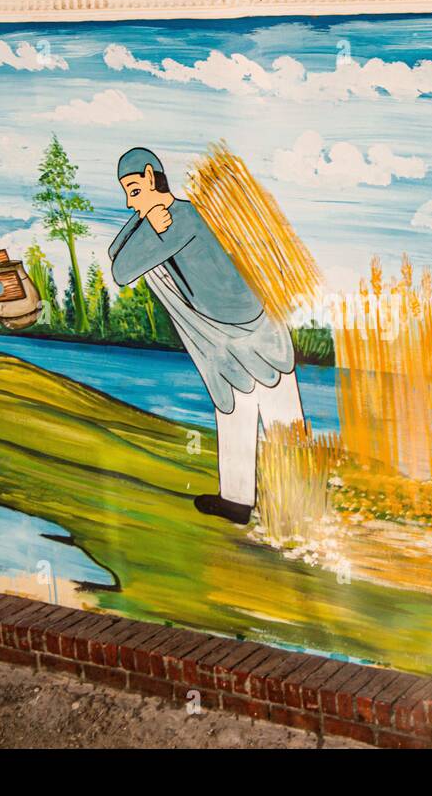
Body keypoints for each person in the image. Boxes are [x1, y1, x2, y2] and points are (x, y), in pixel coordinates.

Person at [108, 147, 304, 526]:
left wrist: (151, 221)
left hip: (249, 328)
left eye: (134, 190)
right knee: (234, 406)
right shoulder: (162, 219)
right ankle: (236, 499)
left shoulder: (179, 222)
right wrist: (146, 215)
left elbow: (123, 269)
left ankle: (297, 497)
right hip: (224, 335)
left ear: (151, 177)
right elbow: (116, 251)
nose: (129, 202)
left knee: (278, 410)